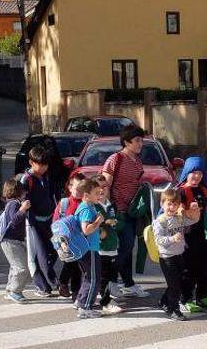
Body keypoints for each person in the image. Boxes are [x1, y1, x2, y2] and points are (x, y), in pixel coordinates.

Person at [101, 124, 148, 298]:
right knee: (125, 245)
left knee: (128, 248)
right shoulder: (115, 159)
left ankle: (128, 283)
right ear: (126, 142)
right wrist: (106, 210)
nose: (140, 144)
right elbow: (105, 185)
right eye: (137, 140)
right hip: (117, 211)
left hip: (132, 211)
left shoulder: (137, 160)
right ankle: (110, 282)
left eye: (141, 140)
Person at [176, 156, 207, 313]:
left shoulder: (205, 190)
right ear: (186, 173)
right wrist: (185, 211)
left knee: (204, 267)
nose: (197, 176)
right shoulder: (181, 192)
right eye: (193, 172)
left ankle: (203, 296)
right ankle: (185, 298)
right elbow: (175, 211)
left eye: (200, 173)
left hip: (202, 235)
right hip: (186, 236)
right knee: (187, 269)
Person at [153, 189, 200, 321]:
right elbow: (158, 240)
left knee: (175, 283)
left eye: (175, 204)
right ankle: (173, 309)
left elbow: (194, 220)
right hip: (167, 257)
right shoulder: (160, 221)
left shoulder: (179, 218)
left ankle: (163, 301)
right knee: (175, 285)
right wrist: (172, 239)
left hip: (179, 255)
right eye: (169, 204)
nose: (172, 207)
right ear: (162, 204)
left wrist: (195, 211)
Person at [22, 145, 60, 297]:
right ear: (31, 162)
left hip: (49, 219)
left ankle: (47, 281)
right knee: (40, 254)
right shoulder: (27, 179)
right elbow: (23, 200)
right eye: (40, 164)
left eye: (46, 165)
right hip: (34, 222)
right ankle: (47, 284)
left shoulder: (46, 176)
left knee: (55, 249)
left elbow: (53, 195)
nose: (43, 167)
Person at [74, 178, 105, 319]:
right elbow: (86, 229)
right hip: (89, 249)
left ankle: (81, 301)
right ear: (86, 195)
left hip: (87, 248)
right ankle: (85, 307)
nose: (100, 194)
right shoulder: (86, 208)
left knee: (88, 277)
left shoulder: (88, 206)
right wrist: (99, 221)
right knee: (94, 278)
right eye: (97, 192)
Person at [0, 178, 31, 304]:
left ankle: (10, 289)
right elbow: (14, 221)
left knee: (15, 266)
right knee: (21, 267)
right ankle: (15, 291)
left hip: (13, 240)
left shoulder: (11, 203)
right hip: (10, 240)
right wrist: (23, 209)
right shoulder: (14, 204)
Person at [94, 175, 123, 314]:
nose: (102, 190)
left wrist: (115, 223)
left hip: (112, 247)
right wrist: (102, 228)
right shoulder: (93, 206)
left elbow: (121, 221)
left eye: (104, 186)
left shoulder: (112, 205)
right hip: (100, 248)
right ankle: (105, 302)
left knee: (110, 275)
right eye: (98, 187)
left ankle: (103, 297)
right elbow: (86, 224)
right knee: (103, 276)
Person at [54, 173, 85, 299]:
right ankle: (75, 291)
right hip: (65, 241)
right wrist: (60, 240)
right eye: (76, 188)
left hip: (81, 240)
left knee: (74, 264)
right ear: (70, 187)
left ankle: (63, 283)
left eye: (81, 189)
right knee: (73, 265)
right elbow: (55, 222)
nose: (78, 191)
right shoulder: (65, 203)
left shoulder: (85, 203)